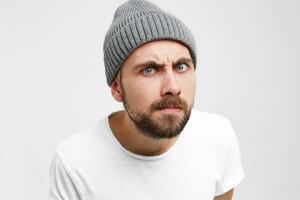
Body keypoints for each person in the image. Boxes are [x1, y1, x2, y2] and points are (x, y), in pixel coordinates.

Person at [48, 0, 245, 199]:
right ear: (117, 88)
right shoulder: (73, 162)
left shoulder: (218, 136)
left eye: (181, 67)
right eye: (149, 70)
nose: (173, 87)